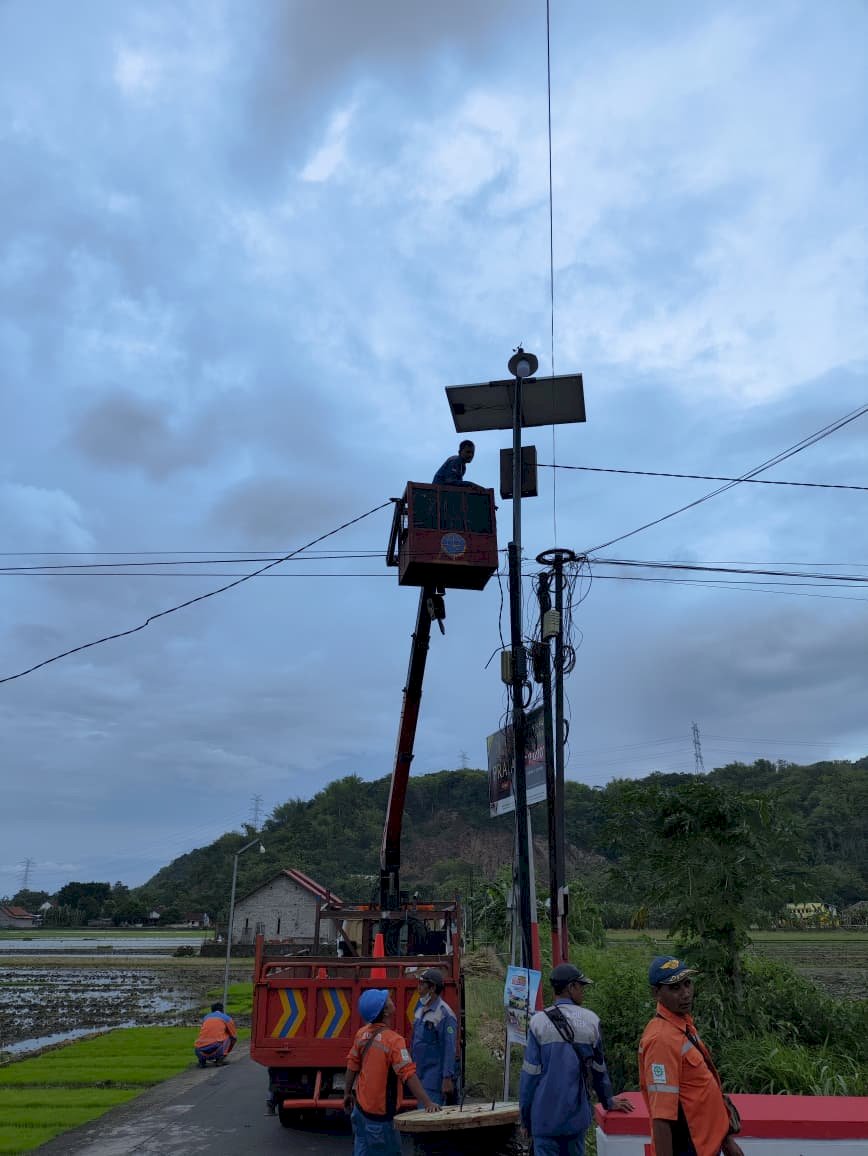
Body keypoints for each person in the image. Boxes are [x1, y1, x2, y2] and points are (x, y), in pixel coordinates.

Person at [520, 962, 634, 1156]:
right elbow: (599, 1070)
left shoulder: (537, 1022)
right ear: (571, 987)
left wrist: (525, 1118)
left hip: (544, 1119)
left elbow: (530, 1076)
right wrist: (607, 1101)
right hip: (575, 1120)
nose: (583, 991)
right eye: (581, 986)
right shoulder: (591, 1021)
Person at [639, 956, 745, 1156]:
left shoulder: (682, 1025)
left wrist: (725, 1139)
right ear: (656, 993)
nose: (685, 993)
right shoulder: (661, 1040)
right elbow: (662, 1118)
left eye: (687, 984)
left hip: (705, 1145)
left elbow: (698, 1092)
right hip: (688, 1148)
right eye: (675, 988)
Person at [344, 988, 440, 1155]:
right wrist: (427, 1102)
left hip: (359, 1111)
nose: (391, 999)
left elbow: (352, 1065)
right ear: (386, 1011)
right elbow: (408, 1074)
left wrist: (347, 1093)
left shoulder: (362, 1034)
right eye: (387, 999)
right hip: (379, 1119)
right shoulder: (394, 1041)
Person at [410, 968, 458, 1104]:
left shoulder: (445, 1015)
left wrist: (447, 1078)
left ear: (432, 988)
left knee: (428, 1116)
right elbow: (415, 1040)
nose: (418, 988)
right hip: (420, 1075)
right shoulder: (420, 1010)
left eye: (422, 984)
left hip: (433, 1080)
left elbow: (449, 1049)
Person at [194, 1001, 237, 1068]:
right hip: (216, 1048)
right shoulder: (226, 1018)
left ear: (212, 1010)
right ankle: (220, 1060)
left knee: (204, 1036)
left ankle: (202, 1062)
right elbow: (233, 1035)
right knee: (230, 1037)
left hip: (199, 1049)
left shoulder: (206, 1017)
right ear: (222, 1010)